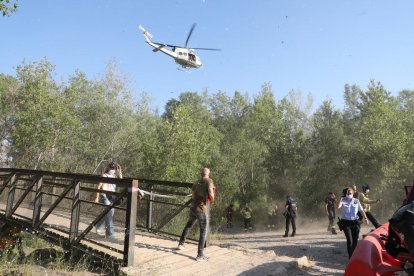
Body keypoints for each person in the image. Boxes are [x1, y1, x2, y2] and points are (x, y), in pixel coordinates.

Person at [177, 167, 215, 262]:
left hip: (193, 207)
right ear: (208, 174)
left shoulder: (196, 182)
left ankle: (181, 244)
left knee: (189, 225)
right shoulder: (209, 181)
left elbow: (193, 195)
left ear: (201, 174)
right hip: (201, 209)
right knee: (203, 231)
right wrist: (212, 198)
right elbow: (211, 193)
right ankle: (200, 255)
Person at [338, 186, 369, 259]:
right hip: (346, 223)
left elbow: (361, 210)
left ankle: (354, 255)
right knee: (350, 240)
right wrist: (341, 197)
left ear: (353, 193)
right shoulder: (343, 200)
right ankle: (350, 257)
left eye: (350, 193)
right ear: (345, 193)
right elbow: (338, 207)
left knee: (355, 240)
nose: (349, 194)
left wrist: (365, 218)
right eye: (348, 193)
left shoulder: (356, 201)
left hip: (355, 222)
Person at [94, 161, 122, 239]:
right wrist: (97, 197)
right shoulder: (104, 175)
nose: (112, 170)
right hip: (105, 195)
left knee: (110, 213)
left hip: (112, 196)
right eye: (111, 168)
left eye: (114, 168)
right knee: (109, 213)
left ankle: (98, 226)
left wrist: (119, 171)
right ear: (108, 168)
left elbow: (121, 180)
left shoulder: (114, 176)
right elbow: (99, 186)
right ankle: (110, 234)